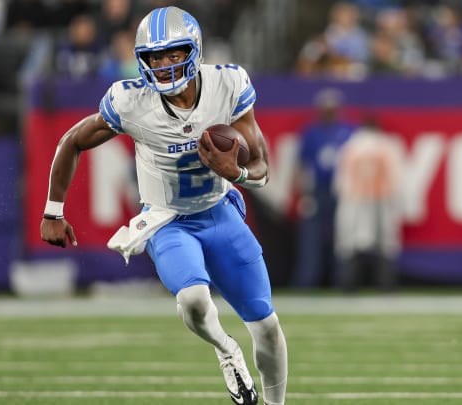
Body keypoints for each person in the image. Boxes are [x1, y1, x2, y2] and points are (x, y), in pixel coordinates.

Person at [40, 6, 288, 405]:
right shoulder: (131, 101)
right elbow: (72, 141)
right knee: (192, 299)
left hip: (219, 210)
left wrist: (235, 172)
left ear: (194, 50)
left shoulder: (228, 83)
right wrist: (53, 210)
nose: (165, 65)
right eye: (155, 58)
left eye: (174, 54)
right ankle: (226, 350)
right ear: (142, 61)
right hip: (167, 220)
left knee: (268, 325)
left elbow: (261, 166)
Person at [292, 88, 354, 289]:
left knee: (343, 237)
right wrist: (304, 194)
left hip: (343, 190)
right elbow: (302, 165)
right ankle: (308, 280)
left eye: (332, 108)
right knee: (311, 238)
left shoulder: (349, 131)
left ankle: (342, 280)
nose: (329, 112)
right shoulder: (312, 132)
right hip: (318, 190)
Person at [333, 121, 403, 292]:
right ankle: (386, 286)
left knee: (350, 245)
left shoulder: (350, 147)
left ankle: (348, 286)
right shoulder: (387, 146)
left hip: (354, 201)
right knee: (385, 245)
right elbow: (397, 178)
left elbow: (339, 182)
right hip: (381, 201)